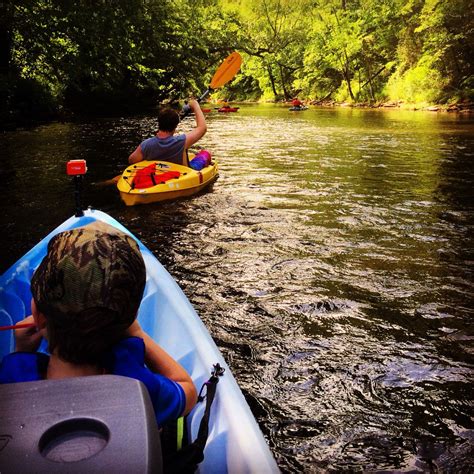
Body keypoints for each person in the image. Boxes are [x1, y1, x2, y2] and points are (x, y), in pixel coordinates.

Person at [0, 222, 197, 427]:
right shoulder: (139, 385)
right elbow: (188, 390)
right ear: (130, 318)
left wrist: (22, 351)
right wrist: (137, 332)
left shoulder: (13, 377)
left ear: (38, 316)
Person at [129, 99, 207, 167]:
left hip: (158, 174)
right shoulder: (181, 141)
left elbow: (132, 160)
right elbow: (202, 128)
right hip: (182, 174)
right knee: (206, 153)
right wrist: (196, 105)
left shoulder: (146, 144)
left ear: (159, 123)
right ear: (175, 126)